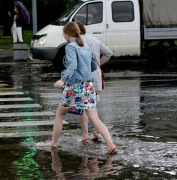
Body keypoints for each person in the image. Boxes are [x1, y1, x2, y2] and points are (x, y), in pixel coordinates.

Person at [37, 22, 118, 154]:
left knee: (60, 115)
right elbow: (93, 66)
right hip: (89, 86)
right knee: (95, 119)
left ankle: (53, 142)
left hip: (75, 86)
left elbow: (72, 66)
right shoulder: (86, 46)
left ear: (67, 34)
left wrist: (62, 79)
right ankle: (110, 144)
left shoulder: (70, 47)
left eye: (63, 34)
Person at [76, 22, 113, 143]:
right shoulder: (94, 40)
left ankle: (85, 134)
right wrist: (98, 64)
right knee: (92, 106)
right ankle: (97, 132)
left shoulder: (76, 42)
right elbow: (108, 53)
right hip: (96, 77)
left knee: (83, 107)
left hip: (83, 78)